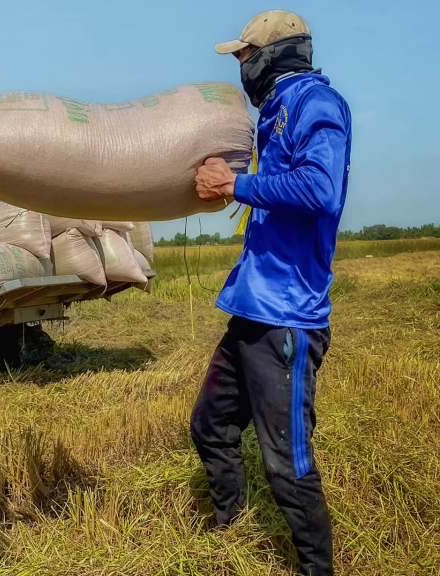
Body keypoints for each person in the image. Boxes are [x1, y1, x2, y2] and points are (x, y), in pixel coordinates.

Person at [191, 10, 352, 576]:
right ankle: (232, 534)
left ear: (271, 55)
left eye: (243, 56)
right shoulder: (273, 112)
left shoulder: (316, 104)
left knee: (287, 462)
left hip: (288, 316)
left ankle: (317, 569)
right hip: (251, 307)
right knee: (210, 425)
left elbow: (321, 188)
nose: (241, 69)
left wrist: (236, 184)